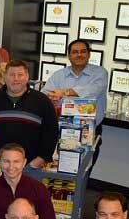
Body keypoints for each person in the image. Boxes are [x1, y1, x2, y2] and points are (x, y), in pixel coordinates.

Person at [0, 60, 59, 165]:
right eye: (12, 75)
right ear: (4, 77)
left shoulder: (42, 101)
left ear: (27, 77)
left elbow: (52, 133)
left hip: (30, 165)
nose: (16, 79)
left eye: (20, 75)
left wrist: (40, 159)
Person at [42, 39, 108, 168]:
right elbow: (45, 94)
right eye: (75, 52)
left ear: (89, 55)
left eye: (83, 52)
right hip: (60, 129)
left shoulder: (100, 73)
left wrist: (64, 92)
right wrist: (51, 97)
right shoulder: (58, 75)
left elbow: (91, 92)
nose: (79, 55)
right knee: (58, 168)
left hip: (89, 131)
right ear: (69, 55)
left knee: (84, 170)